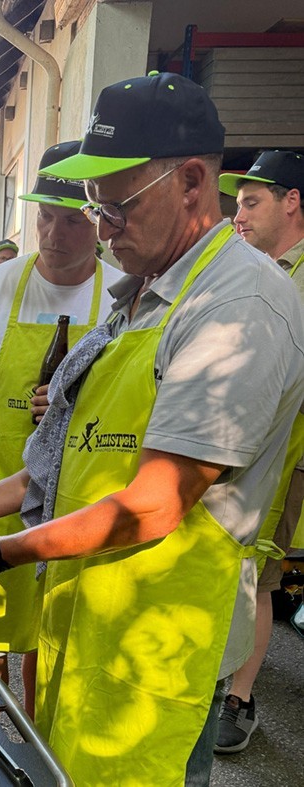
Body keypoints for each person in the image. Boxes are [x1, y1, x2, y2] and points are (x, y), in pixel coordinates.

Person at [0, 72, 304, 786]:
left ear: (191, 182)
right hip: (87, 614)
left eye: (116, 207)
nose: (100, 229)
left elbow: (156, 503)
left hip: (158, 643)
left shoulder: (237, 307)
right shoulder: (138, 297)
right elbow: (70, 454)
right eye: (94, 207)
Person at [0, 140, 123, 715]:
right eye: (45, 218)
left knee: (52, 639)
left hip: (75, 500)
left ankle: (38, 741)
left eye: (72, 221)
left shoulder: (120, 294)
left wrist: (69, 404)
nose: (54, 235)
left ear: (100, 219)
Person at [214, 149, 304, 753]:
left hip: (285, 455)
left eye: (251, 202)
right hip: (244, 446)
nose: (238, 215)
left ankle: (239, 699)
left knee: (258, 574)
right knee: (237, 566)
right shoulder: (257, 268)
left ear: (292, 201)